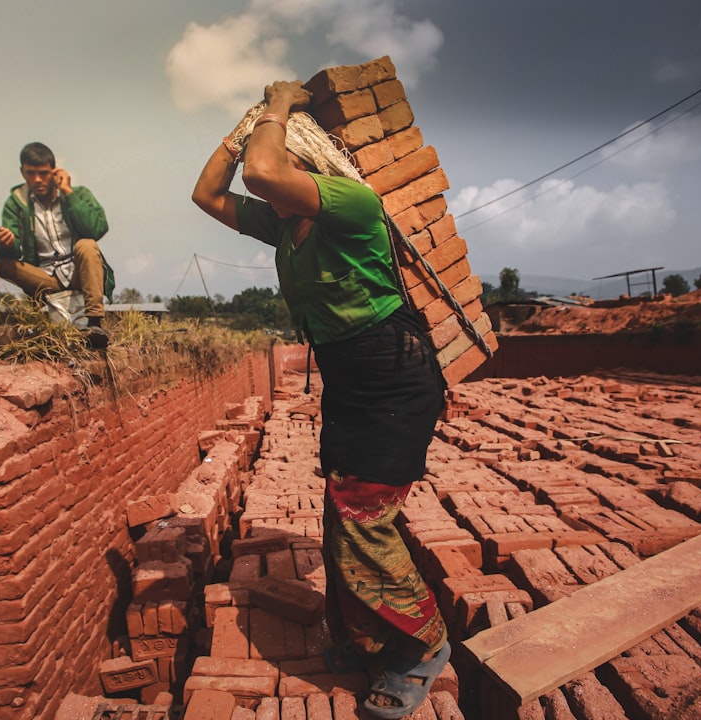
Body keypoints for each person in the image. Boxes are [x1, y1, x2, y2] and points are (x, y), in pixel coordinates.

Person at [192, 80, 449, 719]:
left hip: (395, 378)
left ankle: (424, 646)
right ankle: (368, 638)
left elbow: (260, 168)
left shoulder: (352, 204)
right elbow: (207, 193)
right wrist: (243, 123)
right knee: (340, 511)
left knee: (365, 512)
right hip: (349, 383)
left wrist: (275, 107)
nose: (262, 188)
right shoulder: (285, 226)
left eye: (277, 169)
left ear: (306, 166)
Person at [0, 141, 114, 329]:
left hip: (78, 275)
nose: (37, 180)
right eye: (30, 173)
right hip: (43, 278)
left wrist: (68, 192)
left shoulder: (79, 194)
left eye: (43, 173)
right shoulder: (16, 203)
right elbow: (13, 248)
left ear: (54, 171)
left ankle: (94, 323)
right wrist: (7, 243)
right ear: (22, 172)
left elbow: (96, 229)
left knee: (87, 244)